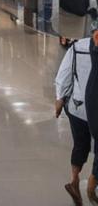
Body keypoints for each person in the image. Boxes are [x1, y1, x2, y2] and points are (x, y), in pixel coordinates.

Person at [55, 29, 97, 206]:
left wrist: (59, 99)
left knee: (80, 145)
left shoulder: (77, 47)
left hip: (78, 107)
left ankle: (74, 180)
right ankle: (92, 184)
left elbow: (64, 75)